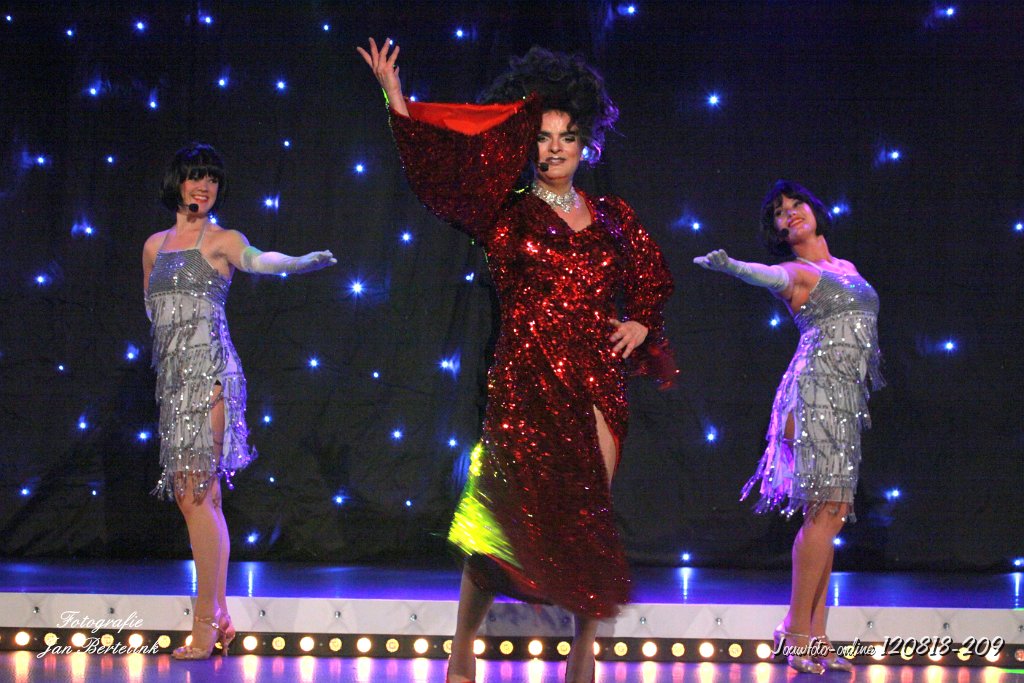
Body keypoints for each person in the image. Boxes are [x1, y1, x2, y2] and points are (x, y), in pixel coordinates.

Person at [358, 39, 676, 683]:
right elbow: (437, 173)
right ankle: (461, 647)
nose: (555, 149)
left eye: (567, 137)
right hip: (524, 384)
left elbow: (651, 278)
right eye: (544, 136)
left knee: (587, 521)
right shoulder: (503, 211)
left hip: (595, 385)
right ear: (528, 142)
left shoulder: (613, 216)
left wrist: (641, 321)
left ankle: (583, 656)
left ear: (587, 144)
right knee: (497, 524)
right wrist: (396, 98)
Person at [142, 143, 335, 659]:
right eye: (195, 177)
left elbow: (259, 261)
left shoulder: (223, 240)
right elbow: (154, 313)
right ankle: (220, 614)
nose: (203, 186)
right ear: (178, 183)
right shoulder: (154, 246)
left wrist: (297, 263)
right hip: (175, 383)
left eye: (211, 179)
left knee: (194, 497)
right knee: (203, 500)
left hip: (212, 377)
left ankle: (205, 622)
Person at [694, 179, 884, 674]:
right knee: (824, 515)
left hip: (844, 400)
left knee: (832, 516)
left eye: (797, 204)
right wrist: (734, 267)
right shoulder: (798, 272)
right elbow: (768, 275)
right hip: (814, 395)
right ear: (777, 230)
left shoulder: (844, 268)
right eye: (780, 212)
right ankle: (795, 632)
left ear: (815, 211)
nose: (791, 213)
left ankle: (816, 635)